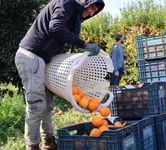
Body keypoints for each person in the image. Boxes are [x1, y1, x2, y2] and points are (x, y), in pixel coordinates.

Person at [14, 0, 105, 149]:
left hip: (42, 60)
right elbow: (55, 27)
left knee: (47, 105)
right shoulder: (66, 3)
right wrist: (83, 45)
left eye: (94, 11)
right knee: (36, 106)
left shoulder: (73, 18)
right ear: (85, 2)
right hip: (31, 56)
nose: (91, 13)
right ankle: (32, 146)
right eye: (91, 7)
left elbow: (57, 42)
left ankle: (48, 142)